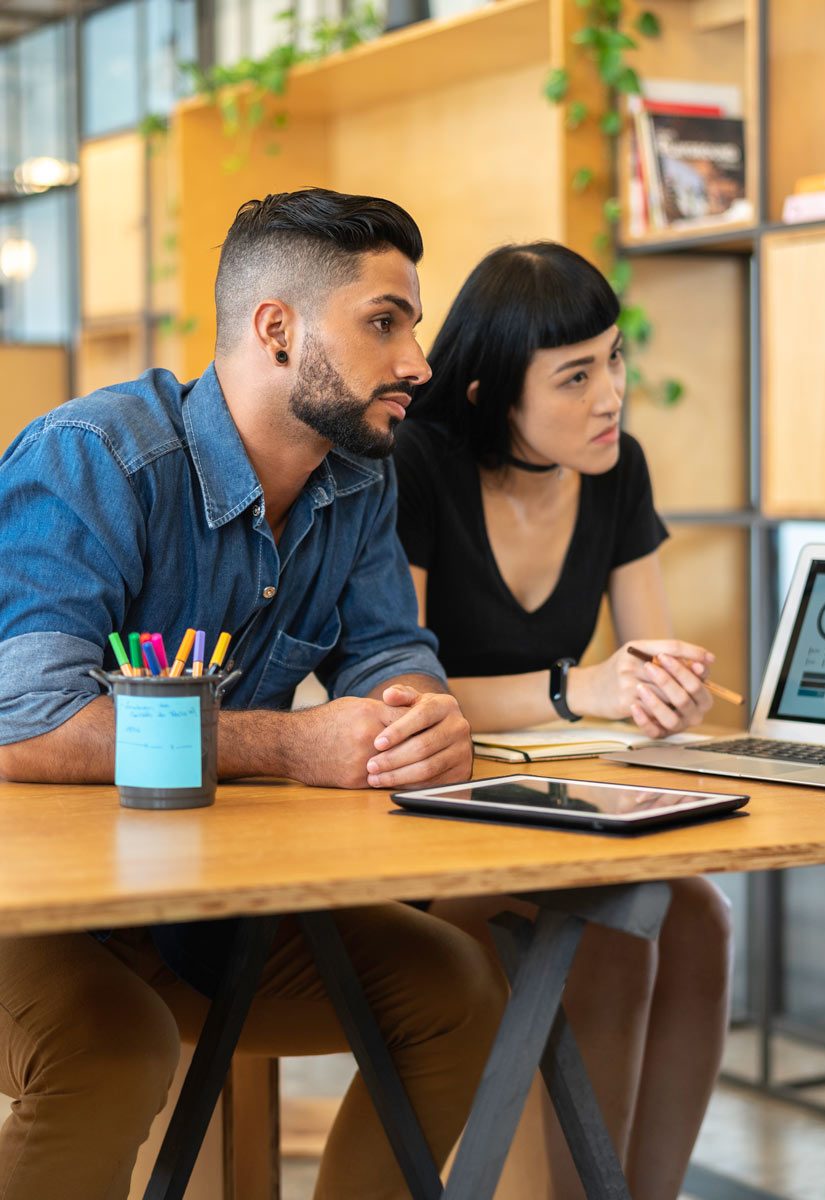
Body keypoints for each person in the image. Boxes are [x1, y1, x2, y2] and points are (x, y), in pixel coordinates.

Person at [0, 188, 507, 1199]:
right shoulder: (95, 458)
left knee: (454, 992)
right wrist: (293, 747)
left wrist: (418, 719)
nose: (419, 361)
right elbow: (27, 724)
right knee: (115, 1047)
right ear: (277, 330)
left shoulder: (360, 482)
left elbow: (389, 658)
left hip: (198, 906)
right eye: (384, 322)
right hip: (31, 912)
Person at [391, 241, 733, 1200]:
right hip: (429, 815)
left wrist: (665, 692)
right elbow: (403, 694)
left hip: (561, 801)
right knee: (617, 924)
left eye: (615, 359)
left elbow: (644, 663)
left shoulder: (619, 471)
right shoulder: (420, 466)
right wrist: (576, 689)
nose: (610, 395)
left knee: (701, 915)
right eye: (575, 376)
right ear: (495, 393)